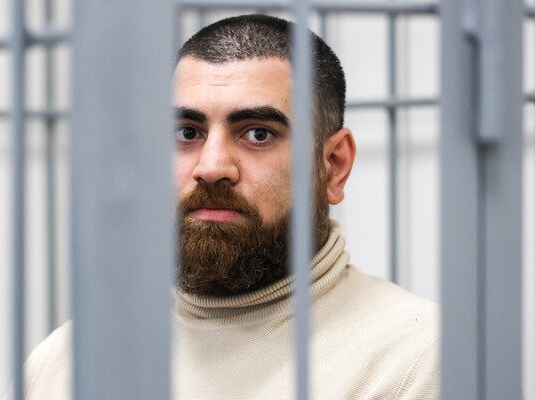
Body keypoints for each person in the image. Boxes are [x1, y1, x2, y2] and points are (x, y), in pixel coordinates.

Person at [22, 14, 439, 400]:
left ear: (333, 165)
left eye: (258, 134)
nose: (211, 168)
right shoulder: (69, 362)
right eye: (187, 132)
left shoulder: (418, 360)